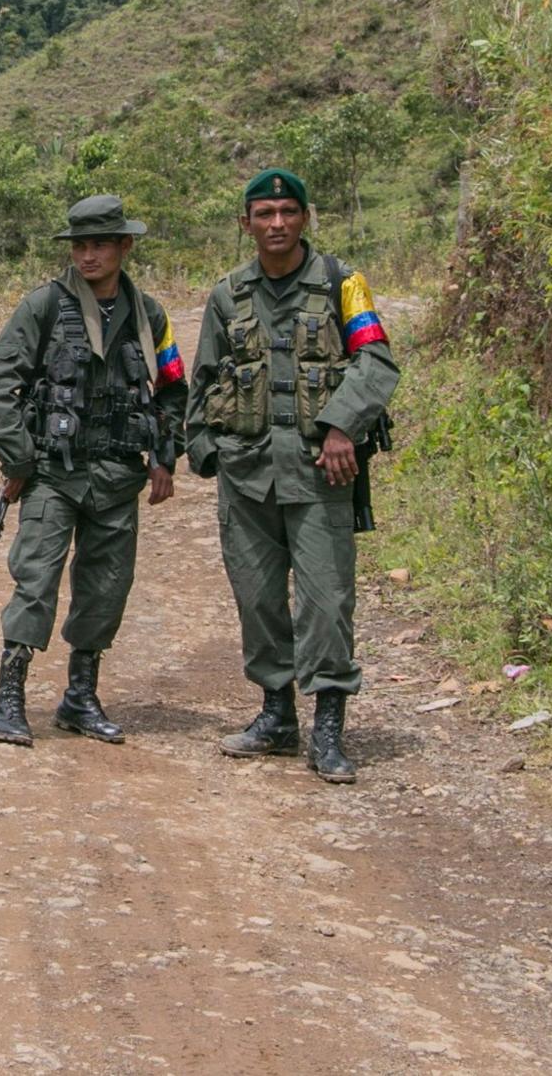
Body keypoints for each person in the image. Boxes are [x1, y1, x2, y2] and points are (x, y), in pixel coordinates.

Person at [186, 167, 399, 783]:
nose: (276, 223)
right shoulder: (227, 295)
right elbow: (202, 379)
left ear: (304, 217)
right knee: (256, 599)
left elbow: (376, 362)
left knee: (326, 602)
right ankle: (276, 715)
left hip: (319, 475)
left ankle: (328, 727)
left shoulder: (342, 284)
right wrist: (204, 450)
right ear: (246, 223)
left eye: (287, 212)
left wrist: (340, 427)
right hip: (247, 476)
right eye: (263, 213)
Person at [0, 194, 186, 746]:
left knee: (107, 588)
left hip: (117, 474)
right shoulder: (44, 305)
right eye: (79, 246)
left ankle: (80, 697)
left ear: (125, 246)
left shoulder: (150, 315)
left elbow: (174, 388)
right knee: (36, 580)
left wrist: (165, 456)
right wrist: (19, 458)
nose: (88, 256)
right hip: (53, 471)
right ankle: (10, 697)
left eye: (99, 245)